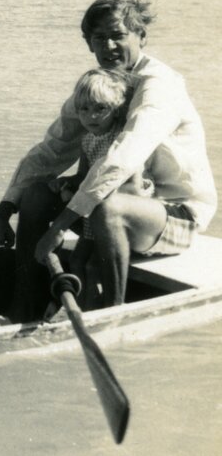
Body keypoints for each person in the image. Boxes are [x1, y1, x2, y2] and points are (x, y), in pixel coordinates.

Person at [0, 0, 217, 320]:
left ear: (141, 36)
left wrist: (60, 226)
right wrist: (4, 210)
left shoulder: (159, 86)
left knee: (107, 206)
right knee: (34, 195)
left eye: (118, 36)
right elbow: (51, 151)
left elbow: (123, 157)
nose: (108, 47)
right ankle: (25, 306)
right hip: (118, 204)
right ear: (88, 43)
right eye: (99, 38)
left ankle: (111, 316)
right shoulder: (98, 87)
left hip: (175, 215)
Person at [52, 68, 154, 308]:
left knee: (88, 263)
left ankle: (97, 307)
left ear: (116, 108)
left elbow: (130, 183)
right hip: (94, 209)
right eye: (84, 110)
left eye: (100, 109)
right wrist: (65, 181)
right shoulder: (87, 140)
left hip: (116, 209)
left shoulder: (122, 139)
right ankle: (83, 306)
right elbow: (83, 176)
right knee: (77, 261)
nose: (92, 117)